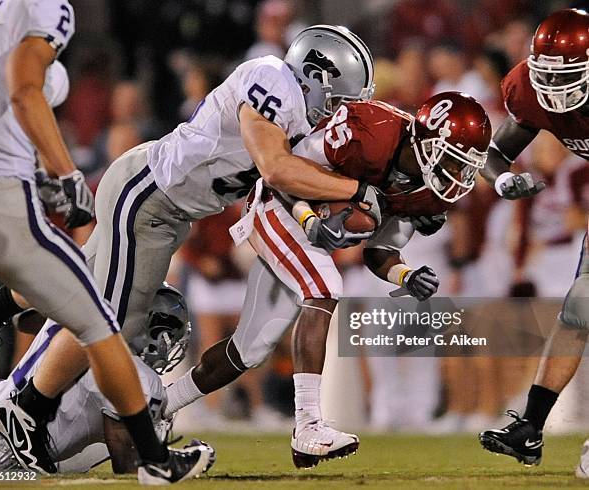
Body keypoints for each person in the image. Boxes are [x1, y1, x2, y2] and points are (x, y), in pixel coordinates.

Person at [0, 23, 380, 474]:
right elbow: (275, 167)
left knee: (84, 288)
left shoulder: (291, 105)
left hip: (164, 207)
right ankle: (26, 413)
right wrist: (358, 189)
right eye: (340, 100)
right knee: (109, 320)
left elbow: (287, 178)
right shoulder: (273, 80)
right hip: (150, 198)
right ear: (317, 73)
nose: (338, 112)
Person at [165, 92, 491, 467]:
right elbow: (285, 169)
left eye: (464, 164)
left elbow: (379, 252)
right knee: (323, 288)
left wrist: (406, 274)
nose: (456, 174)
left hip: (314, 225)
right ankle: (307, 425)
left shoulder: (429, 193)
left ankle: (159, 404)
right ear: (426, 141)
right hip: (278, 202)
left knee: (249, 350)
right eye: (452, 158)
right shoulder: (370, 130)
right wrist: (308, 218)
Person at [0, 1, 208, 482]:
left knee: (81, 300)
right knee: (101, 319)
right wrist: (63, 172)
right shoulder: (44, 12)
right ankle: (155, 462)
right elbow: (24, 90)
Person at [477, 9, 589, 470]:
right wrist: (502, 181)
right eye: (546, 74)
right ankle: (531, 428)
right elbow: (495, 152)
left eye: (567, 75)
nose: (554, 86)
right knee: (578, 311)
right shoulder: (530, 91)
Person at [0, 284, 214, 477]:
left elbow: (25, 321)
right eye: (167, 335)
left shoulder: (82, 312)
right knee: (145, 426)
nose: (168, 345)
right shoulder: (140, 376)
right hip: (8, 455)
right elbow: (127, 466)